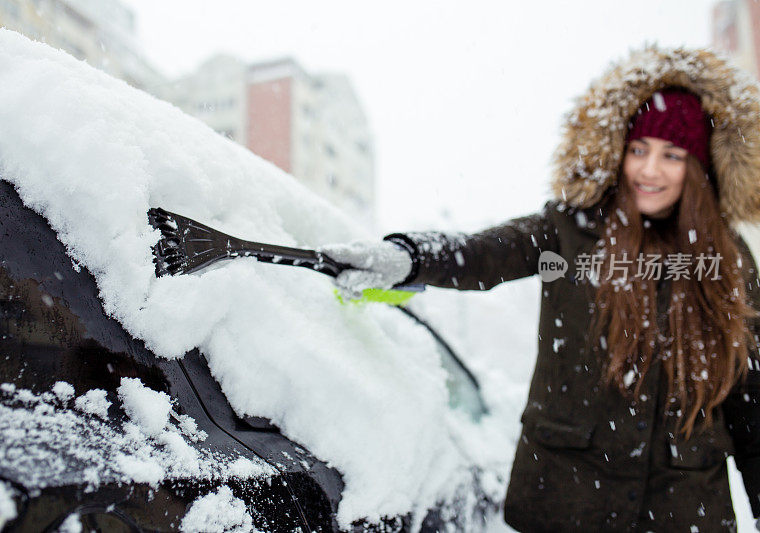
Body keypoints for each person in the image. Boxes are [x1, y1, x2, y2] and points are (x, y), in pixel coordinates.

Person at [322, 46, 760, 532]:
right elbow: (483, 253)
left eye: (672, 155)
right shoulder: (569, 229)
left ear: (699, 169)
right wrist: (409, 257)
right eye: (639, 150)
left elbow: (752, 398)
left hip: (684, 510)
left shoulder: (729, 259)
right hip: (568, 504)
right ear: (617, 151)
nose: (649, 170)